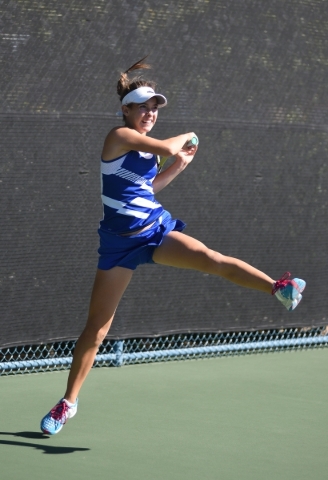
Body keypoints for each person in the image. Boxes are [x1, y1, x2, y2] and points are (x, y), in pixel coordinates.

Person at [40, 57, 306, 435]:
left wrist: (176, 168)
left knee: (211, 259)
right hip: (118, 246)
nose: (150, 114)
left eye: (154, 108)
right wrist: (189, 138)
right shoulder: (119, 138)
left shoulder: (147, 150)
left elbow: (145, 190)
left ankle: (279, 288)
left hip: (156, 230)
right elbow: (171, 142)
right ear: (125, 110)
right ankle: (69, 403)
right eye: (143, 108)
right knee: (96, 330)